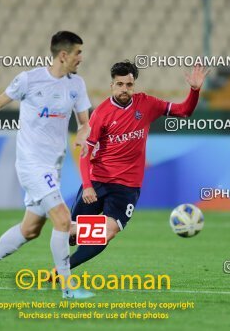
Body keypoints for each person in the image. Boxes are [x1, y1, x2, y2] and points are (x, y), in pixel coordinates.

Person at [0, 31, 94, 299]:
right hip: (31, 164)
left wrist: (84, 132)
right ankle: (68, 287)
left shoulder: (77, 85)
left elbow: (85, 122)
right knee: (62, 218)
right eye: (78, 53)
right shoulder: (29, 79)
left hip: (53, 167)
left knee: (30, 230)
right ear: (63, 55)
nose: (81, 58)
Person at [67, 60, 209, 270]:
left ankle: (61, 269)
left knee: (107, 232)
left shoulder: (147, 104)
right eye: (120, 84)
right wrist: (87, 185)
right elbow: (85, 153)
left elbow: (184, 111)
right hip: (97, 182)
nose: (124, 89)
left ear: (134, 85)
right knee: (69, 232)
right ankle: (71, 232)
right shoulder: (101, 113)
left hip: (127, 187)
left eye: (129, 85)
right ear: (112, 86)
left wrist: (194, 90)